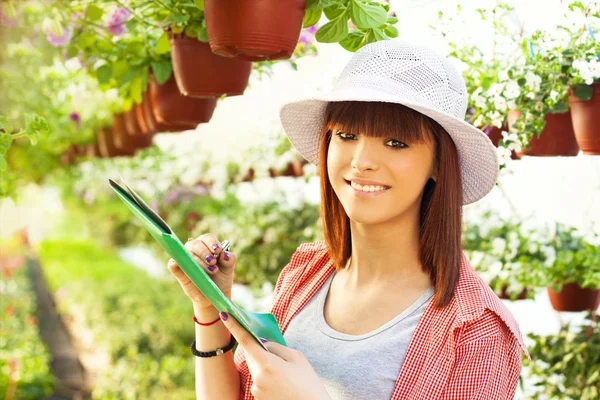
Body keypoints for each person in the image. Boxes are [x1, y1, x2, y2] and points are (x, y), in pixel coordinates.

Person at [167, 39, 530, 400]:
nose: (361, 160)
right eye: (346, 134)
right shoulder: (306, 272)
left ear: (438, 163)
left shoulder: (477, 332)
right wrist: (210, 307)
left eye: (396, 142)